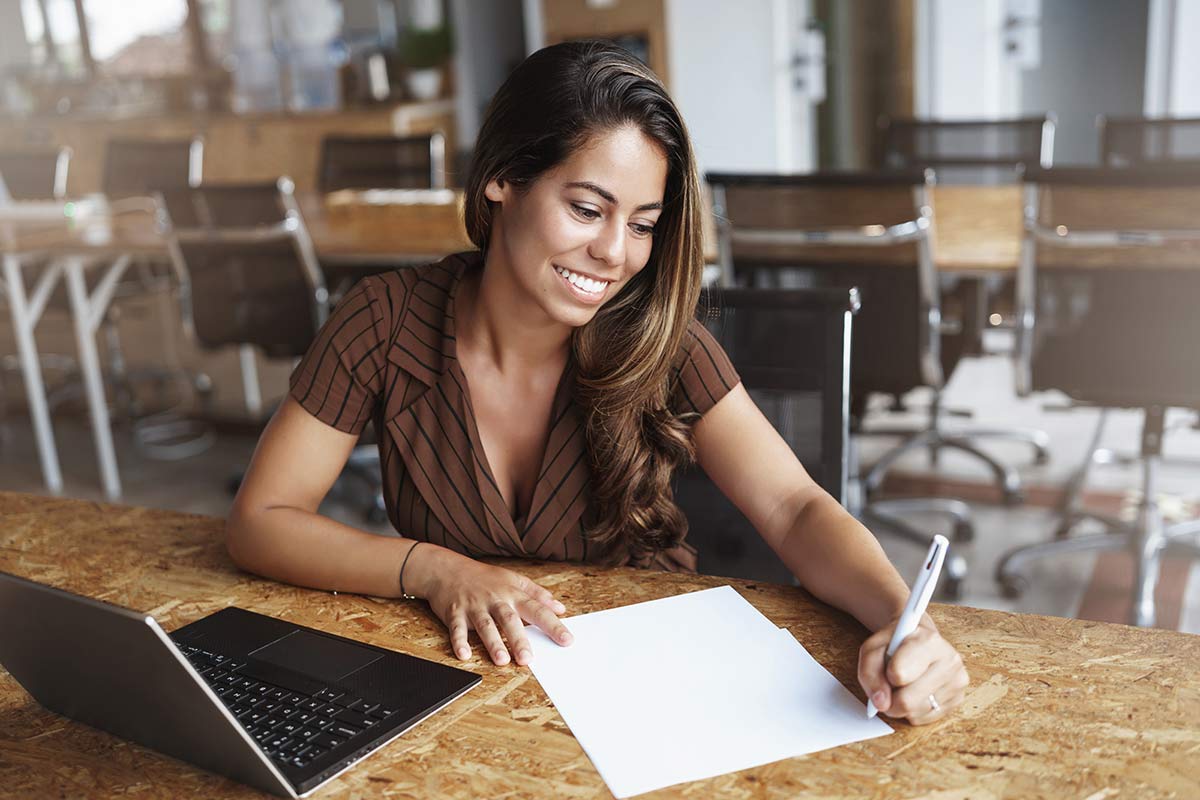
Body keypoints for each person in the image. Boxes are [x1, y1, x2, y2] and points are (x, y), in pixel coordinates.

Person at [227, 40, 969, 726]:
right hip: (475, 696)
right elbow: (262, 518)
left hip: (647, 693)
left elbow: (794, 507)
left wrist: (904, 620)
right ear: (501, 179)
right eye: (586, 209)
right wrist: (432, 570)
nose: (615, 253)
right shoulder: (384, 323)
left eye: (643, 223)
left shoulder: (661, 344)